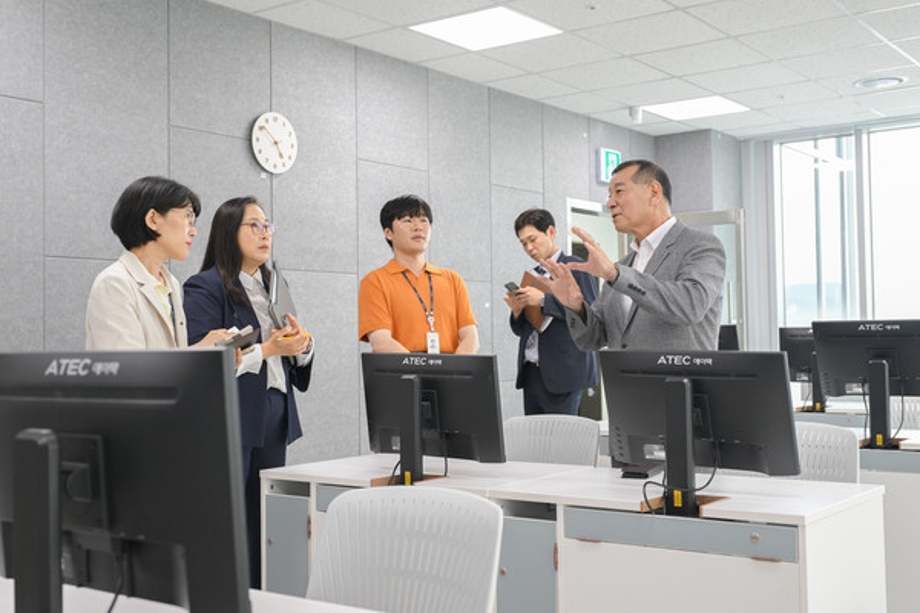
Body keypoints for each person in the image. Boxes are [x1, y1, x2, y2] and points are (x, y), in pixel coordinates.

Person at [183, 196, 314, 588]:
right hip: (232, 414)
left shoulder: (275, 285)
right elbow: (202, 360)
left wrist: (304, 347)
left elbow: (288, 349)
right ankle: (223, 594)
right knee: (229, 517)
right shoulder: (205, 287)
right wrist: (268, 349)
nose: (264, 234)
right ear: (229, 231)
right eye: (253, 226)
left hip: (275, 410)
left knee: (263, 519)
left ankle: (259, 595)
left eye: (267, 226)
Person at [542, 159, 725, 352]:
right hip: (624, 373)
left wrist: (616, 275)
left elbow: (690, 306)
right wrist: (576, 306)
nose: (610, 203)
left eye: (619, 192)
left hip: (679, 373)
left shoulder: (700, 245)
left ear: (653, 192)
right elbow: (592, 340)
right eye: (609, 195)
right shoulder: (624, 265)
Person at [85, 176, 231, 349]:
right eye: (188, 217)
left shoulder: (171, 283)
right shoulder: (114, 283)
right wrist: (202, 351)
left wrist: (215, 357)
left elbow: (173, 358)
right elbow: (125, 364)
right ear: (153, 219)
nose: (193, 232)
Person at [504, 209, 598, 415]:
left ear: (551, 231)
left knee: (561, 434)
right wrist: (517, 312)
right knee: (535, 434)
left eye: (532, 239)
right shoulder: (532, 275)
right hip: (532, 373)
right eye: (523, 243)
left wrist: (543, 300)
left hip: (564, 373)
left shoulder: (576, 267)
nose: (529, 248)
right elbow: (522, 330)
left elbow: (589, 316)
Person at [359, 194, 479, 354]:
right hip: (401, 368)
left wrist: (454, 369)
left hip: (452, 367)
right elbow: (381, 342)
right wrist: (420, 367)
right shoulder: (375, 281)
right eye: (408, 221)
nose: (418, 227)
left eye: (424, 220)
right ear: (388, 233)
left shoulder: (452, 279)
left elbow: (470, 337)